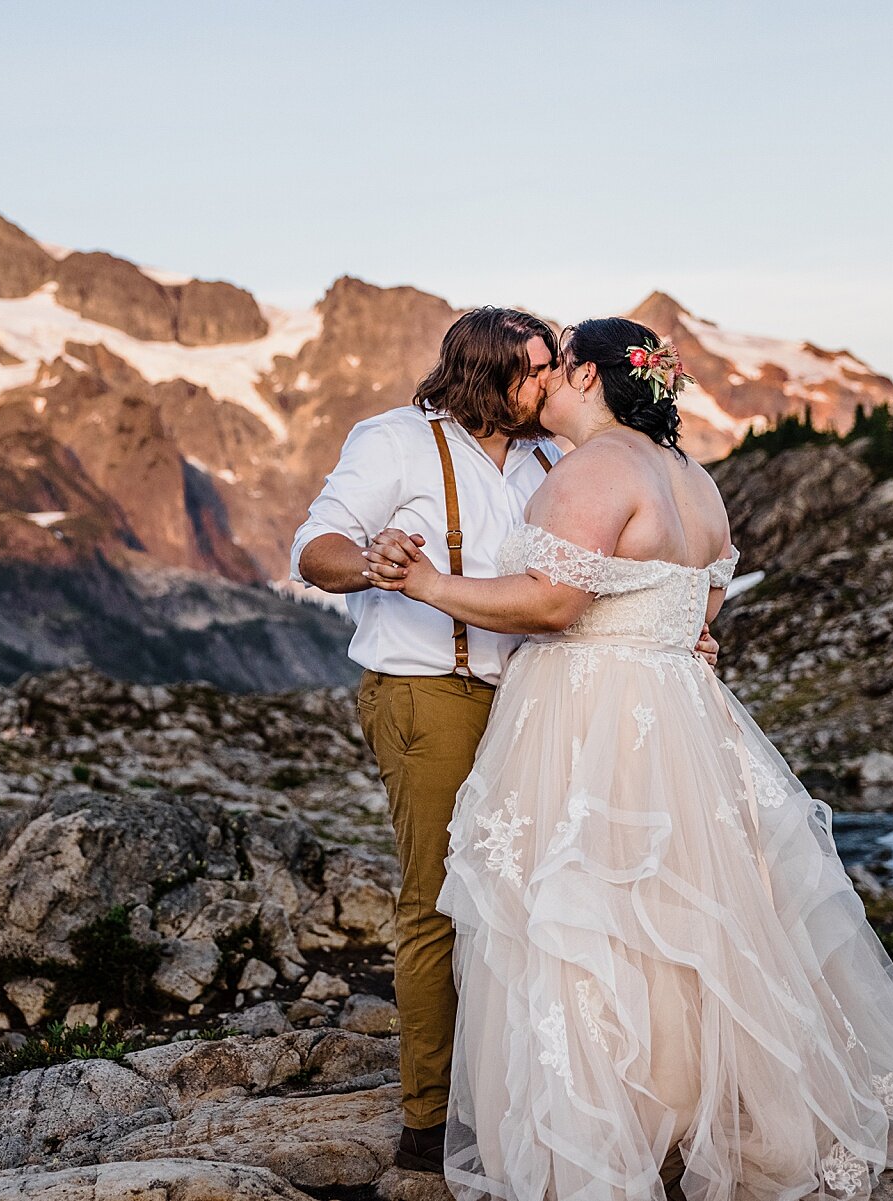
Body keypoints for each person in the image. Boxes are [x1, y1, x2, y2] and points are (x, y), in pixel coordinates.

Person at [367, 316, 893, 1199]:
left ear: (591, 378)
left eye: (556, 367)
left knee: (589, 907)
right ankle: (688, 1103)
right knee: (684, 909)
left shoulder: (594, 469)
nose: (543, 382)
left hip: (590, 708)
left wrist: (428, 585)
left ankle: (605, 1120)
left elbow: (552, 604)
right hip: (679, 710)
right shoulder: (695, 480)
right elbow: (702, 617)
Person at [290, 306, 565, 1171]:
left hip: (534, 700)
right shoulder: (394, 440)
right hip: (425, 694)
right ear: (485, 375)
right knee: (440, 900)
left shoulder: (550, 454)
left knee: (533, 899)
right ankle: (428, 1116)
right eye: (533, 371)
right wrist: (368, 558)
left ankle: (521, 1089)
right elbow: (312, 548)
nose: (547, 383)